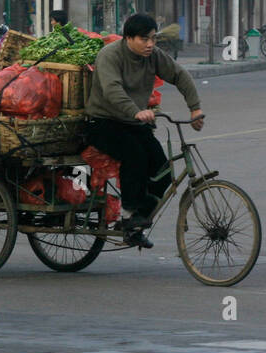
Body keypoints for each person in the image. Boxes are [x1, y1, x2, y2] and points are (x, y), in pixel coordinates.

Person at [84, 13, 204, 246]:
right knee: (134, 156)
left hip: (133, 123)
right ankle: (129, 212)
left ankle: (137, 221)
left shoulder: (154, 57)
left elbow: (179, 75)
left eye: (153, 39)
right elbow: (112, 90)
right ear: (128, 38)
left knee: (163, 171)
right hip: (103, 122)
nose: (150, 44)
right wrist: (135, 111)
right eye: (144, 39)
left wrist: (195, 109)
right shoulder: (110, 55)